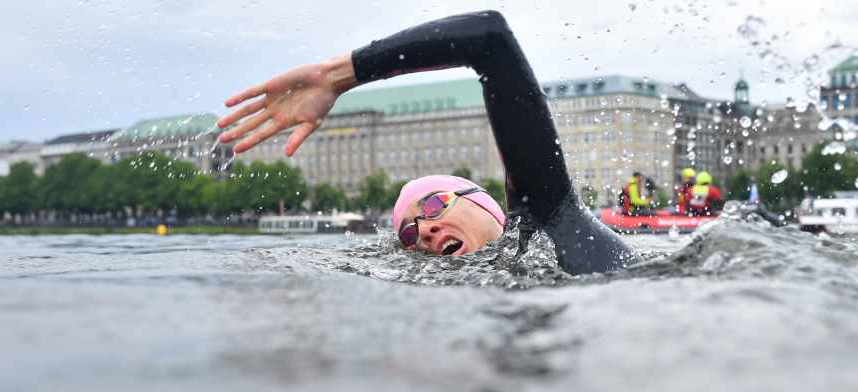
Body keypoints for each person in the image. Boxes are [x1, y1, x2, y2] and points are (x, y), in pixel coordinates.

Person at [216, 11, 635, 276]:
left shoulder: (551, 221)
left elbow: (490, 37)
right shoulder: (480, 284)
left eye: (434, 206)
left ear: (484, 202)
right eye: (409, 234)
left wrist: (337, 75)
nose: (426, 231)